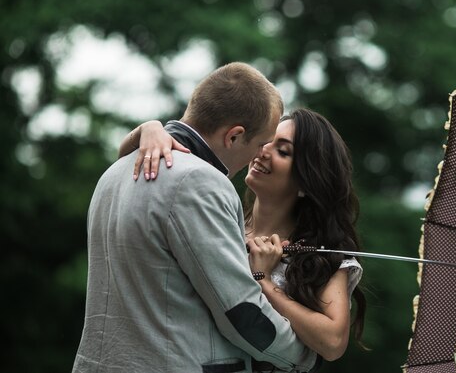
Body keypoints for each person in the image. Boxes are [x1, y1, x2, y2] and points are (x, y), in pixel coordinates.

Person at [73, 63, 320, 373]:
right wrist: (304, 356)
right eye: (259, 144)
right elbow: (240, 312)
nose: (257, 156)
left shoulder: (116, 170)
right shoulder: (201, 182)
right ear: (234, 136)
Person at [123, 108, 367, 366]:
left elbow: (332, 344)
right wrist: (149, 128)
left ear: (307, 182)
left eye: (283, 151)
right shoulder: (219, 223)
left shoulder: (321, 256)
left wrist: (264, 283)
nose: (263, 151)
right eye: (266, 142)